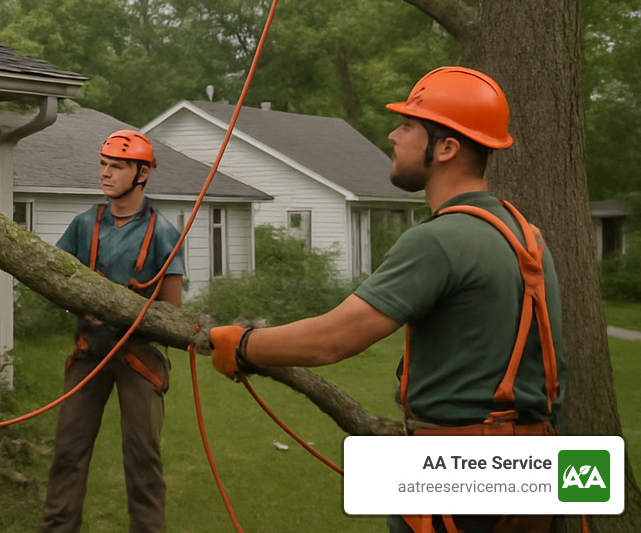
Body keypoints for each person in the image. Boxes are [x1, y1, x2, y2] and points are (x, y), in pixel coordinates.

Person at [208, 67, 566, 533]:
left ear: (447, 147)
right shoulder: (527, 235)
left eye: (409, 126)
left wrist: (242, 345)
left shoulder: (440, 240)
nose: (393, 135)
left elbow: (333, 339)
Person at [39, 130, 185, 533]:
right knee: (68, 452)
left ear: (141, 174)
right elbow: (56, 281)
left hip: (140, 359)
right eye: (103, 164)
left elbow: (172, 313)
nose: (105, 173)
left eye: (116, 166)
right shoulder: (85, 224)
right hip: (89, 353)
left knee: (142, 458)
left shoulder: (163, 232)